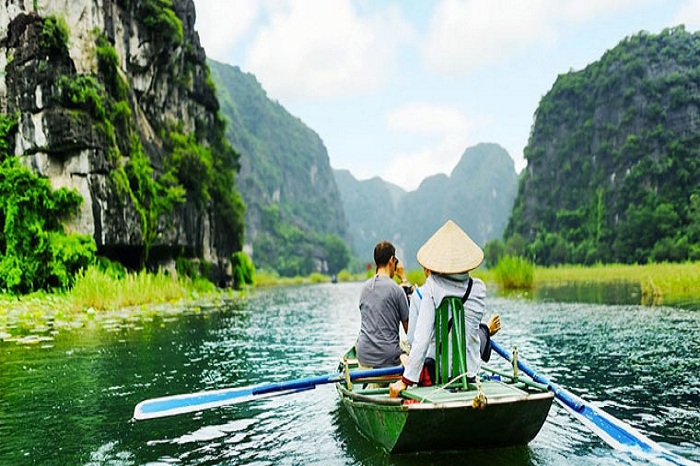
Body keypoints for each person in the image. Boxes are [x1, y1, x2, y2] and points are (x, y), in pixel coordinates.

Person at [389, 220, 486, 397]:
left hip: (440, 376)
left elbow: (421, 339)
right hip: (470, 374)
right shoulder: (479, 289)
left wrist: (405, 381)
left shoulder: (432, 286)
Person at [355, 241, 410, 369]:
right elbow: (410, 332)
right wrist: (404, 279)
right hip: (388, 359)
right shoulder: (397, 290)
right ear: (392, 260)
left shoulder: (364, 289)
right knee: (408, 350)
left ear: (376, 262)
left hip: (363, 356)